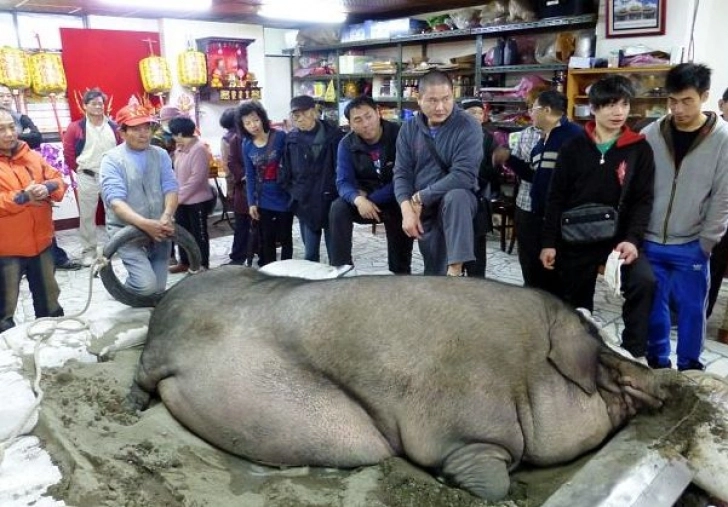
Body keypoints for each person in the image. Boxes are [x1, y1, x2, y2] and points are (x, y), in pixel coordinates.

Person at [539, 75, 656, 360]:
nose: (618, 112)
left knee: (644, 282)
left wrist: (632, 240)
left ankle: (633, 354)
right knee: (574, 304)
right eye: (610, 105)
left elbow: (643, 200)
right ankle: (577, 357)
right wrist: (549, 242)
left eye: (624, 104)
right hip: (575, 238)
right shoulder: (574, 147)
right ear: (593, 108)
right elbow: (556, 197)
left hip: (618, 240)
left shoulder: (639, 149)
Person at [641, 63, 728, 370]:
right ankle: (658, 363)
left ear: (704, 96)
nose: (677, 109)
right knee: (655, 308)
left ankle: (690, 366)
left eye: (686, 101)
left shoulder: (723, 139)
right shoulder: (652, 133)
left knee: (692, 310)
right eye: (672, 101)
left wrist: (707, 241)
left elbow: (723, 196)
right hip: (651, 240)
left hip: (692, 243)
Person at [393, 70, 483, 276]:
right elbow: (402, 173)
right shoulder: (409, 129)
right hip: (425, 210)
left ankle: (456, 270)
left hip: (458, 205)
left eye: (446, 99)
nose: (440, 107)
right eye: (432, 100)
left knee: (456, 196)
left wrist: (421, 196)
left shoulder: (468, 125)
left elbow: (464, 175)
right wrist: (407, 209)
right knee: (434, 270)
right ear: (419, 99)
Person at [493, 90, 582, 292]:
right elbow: (535, 176)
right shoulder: (543, 141)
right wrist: (509, 158)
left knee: (555, 278)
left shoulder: (574, 136)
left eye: (533, 109)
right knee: (533, 271)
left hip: (560, 219)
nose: (530, 113)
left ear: (547, 110)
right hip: (536, 215)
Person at [99, 104, 178, 298]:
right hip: (126, 231)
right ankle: (125, 292)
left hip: (159, 230)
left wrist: (167, 215)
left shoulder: (160, 154)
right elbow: (115, 202)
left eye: (146, 128)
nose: (143, 134)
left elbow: (170, 187)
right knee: (147, 287)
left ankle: (143, 296)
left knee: (158, 289)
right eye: (135, 129)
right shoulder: (111, 160)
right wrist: (144, 224)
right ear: (122, 133)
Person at [328, 95, 413, 274]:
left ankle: (400, 272)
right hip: (363, 202)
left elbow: (405, 177)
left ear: (378, 113)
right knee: (338, 208)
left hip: (394, 197)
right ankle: (342, 267)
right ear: (350, 124)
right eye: (358, 120)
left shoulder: (400, 135)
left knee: (401, 208)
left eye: (368, 116)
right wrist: (358, 200)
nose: (365, 124)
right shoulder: (346, 144)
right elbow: (343, 181)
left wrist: (371, 199)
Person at [0, 108, 66, 332]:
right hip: (6, 250)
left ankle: (52, 343)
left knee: (50, 304)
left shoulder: (30, 155)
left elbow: (58, 179)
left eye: (12, 127)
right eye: (1, 129)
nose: (9, 134)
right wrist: (22, 197)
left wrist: (47, 187)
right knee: (4, 310)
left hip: (42, 244)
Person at [279, 95, 343, 262]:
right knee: (310, 254)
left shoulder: (334, 136)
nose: (300, 119)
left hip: (330, 200)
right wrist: (295, 193)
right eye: (296, 115)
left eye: (304, 114)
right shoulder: (291, 139)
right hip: (305, 202)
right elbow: (285, 172)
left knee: (335, 255)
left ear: (314, 112)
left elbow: (342, 169)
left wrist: (336, 191)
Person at [62, 89, 121, 267]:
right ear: (85, 106)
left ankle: (117, 246)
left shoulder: (113, 126)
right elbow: (68, 153)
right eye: (93, 103)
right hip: (87, 176)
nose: (97, 107)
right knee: (87, 216)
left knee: (115, 212)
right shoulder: (76, 128)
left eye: (100, 103)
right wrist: (80, 170)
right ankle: (89, 251)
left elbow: (121, 148)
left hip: (111, 176)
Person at [239, 100, 292, 267]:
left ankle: (287, 270)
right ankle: (270, 271)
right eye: (247, 123)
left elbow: (291, 164)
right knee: (266, 239)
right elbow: (250, 175)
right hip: (263, 197)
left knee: (285, 237)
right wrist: (251, 203)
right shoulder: (246, 144)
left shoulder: (280, 137)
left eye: (255, 120)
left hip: (284, 194)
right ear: (242, 126)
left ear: (262, 118)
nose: (253, 125)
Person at [167, 116, 213, 272]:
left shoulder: (199, 149)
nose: (173, 137)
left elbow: (197, 179)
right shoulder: (179, 149)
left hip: (197, 201)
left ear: (180, 134)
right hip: (181, 200)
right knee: (182, 233)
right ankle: (185, 262)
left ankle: (202, 264)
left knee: (199, 234)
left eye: (173, 133)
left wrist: (178, 197)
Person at [460, 98, 499, 277]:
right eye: (471, 112)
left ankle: (476, 279)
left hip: (478, 198)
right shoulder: (452, 136)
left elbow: (493, 172)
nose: (476, 116)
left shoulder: (488, 138)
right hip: (455, 197)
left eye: (479, 112)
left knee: (476, 248)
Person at [219, 107, 252, 266]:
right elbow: (231, 163)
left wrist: (230, 189)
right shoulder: (235, 139)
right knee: (246, 222)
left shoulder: (228, 139)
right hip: (243, 185)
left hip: (242, 186)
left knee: (243, 223)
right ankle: (246, 253)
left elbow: (228, 166)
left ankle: (240, 255)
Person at [707, 87, 728, 320]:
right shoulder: (709, 132)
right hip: (709, 210)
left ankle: (705, 311)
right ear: (722, 104)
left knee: (717, 266)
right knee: (708, 263)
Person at [0, 84, 42, 150]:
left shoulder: (21, 118)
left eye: (9, 96)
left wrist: (14, 136)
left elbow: (36, 139)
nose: (6, 99)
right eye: (1, 96)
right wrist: (22, 135)